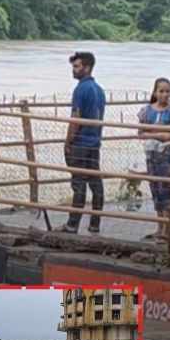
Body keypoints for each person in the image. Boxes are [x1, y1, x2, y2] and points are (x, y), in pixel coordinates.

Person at [138, 77, 170, 242]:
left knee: (168, 191)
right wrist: (160, 134)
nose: (165, 95)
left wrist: (167, 137)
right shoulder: (147, 111)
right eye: (161, 91)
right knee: (156, 190)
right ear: (155, 92)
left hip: (169, 156)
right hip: (152, 155)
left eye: (167, 91)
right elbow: (141, 133)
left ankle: (167, 228)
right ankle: (160, 226)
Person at [61, 51, 106, 234]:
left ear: (86, 67)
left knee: (78, 183)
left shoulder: (80, 89)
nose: (73, 70)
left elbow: (75, 118)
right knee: (95, 182)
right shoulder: (99, 90)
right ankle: (94, 224)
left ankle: (72, 224)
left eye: (76, 66)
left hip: (80, 142)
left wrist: (68, 141)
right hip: (94, 141)